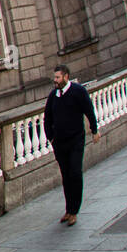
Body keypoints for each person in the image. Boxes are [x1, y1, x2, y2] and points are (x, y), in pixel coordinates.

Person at [44, 63, 99, 226]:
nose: (55, 80)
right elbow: (47, 118)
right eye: (54, 77)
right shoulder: (53, 96)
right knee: (66, 176)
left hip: (76, 140)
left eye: (57, 77)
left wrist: (95, 130)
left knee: (75, 173)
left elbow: (89, 110)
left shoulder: (78, 91)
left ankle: (75, 210)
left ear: (66, 77)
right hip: (59, 144)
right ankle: (68, 210)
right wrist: (51, 138)